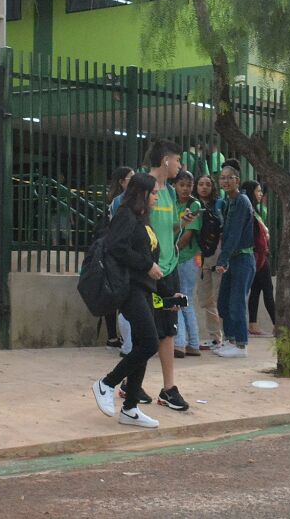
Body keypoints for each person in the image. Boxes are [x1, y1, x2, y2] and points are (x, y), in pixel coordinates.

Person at [91, 173, 164, 428]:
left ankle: (130, 408)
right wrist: (147, 265)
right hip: (129, 289)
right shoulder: (125, 215)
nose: (157, 197)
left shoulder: (142, 219)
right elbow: (116, 247)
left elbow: (147, 253)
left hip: (144, 289)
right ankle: (106, 384)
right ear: (142, 193)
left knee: (144, 344)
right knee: (149, 343)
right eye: (154, 193)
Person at [145, 139, 194, 411]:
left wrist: (181, 223)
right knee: (148, 330)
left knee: (168, 329)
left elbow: (168, 227)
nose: (180, 165)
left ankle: (167, 388)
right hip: (151, 273)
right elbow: (137, 228)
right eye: (178, 159)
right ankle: (130, 382)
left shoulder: (170, 193)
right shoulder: (145, 187)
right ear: (165, 160)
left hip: (170, 269)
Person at [214, 165, 257, 357]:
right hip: (232, 259)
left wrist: (222, 260)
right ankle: (231, 340)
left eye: (229, 178)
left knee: (237, 302)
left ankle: (241, 344)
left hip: (242, 258)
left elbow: (235, 234)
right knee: (223, 302)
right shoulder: (227, 202)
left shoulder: (241, 201)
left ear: (237, 180)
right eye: (222, 178)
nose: (225, 181)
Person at [104, 166, 134, 352]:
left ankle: (123, 341)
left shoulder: (135, 199)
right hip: (121, 255)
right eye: (131, 178)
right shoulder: (117, 202)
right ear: (122, 182)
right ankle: (125, 342)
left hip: (123, 254)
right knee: (123, 299)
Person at [173, 171, 202, 358]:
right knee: (186, 301)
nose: (185, 189)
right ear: (175, 185)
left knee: (181, 300)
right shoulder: (174, 203)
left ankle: (181, 343)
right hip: (178, 258)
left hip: (186, 258)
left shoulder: (194, 205)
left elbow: (188, 234)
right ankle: (193, 343)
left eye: (188, 185)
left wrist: (172, 249)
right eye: (181, 185)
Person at [243, 180, 276, 336]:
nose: (260, 194)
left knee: (256, 290)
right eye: (258, 191)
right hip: (259, 255)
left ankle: (253, 324)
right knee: (268, 289)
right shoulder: (249, 210)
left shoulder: (256, 210)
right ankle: (277, 324)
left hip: (259, 255)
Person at [194, 174, 223, 348]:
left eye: (207, 184)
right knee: (205, 298)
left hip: (216, 256)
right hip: (199, 257)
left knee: (219, 298)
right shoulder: (192, 205)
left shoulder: (219, 205)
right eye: (200, 184)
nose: (204, 187)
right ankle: (215, 337)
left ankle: (224, 338)